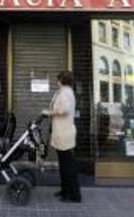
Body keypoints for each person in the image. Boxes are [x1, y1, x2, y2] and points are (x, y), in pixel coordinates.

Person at [42, 71, 81, 203]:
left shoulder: (66, 93)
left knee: (68, 166)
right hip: (61, 133)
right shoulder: (63, 91)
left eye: (58, 79)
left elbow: (64, 110)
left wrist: (49, 112)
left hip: (65, 134)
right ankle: (65, 190)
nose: (56, 81)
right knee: (64, 165)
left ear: (62, 80)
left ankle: (74, 195)